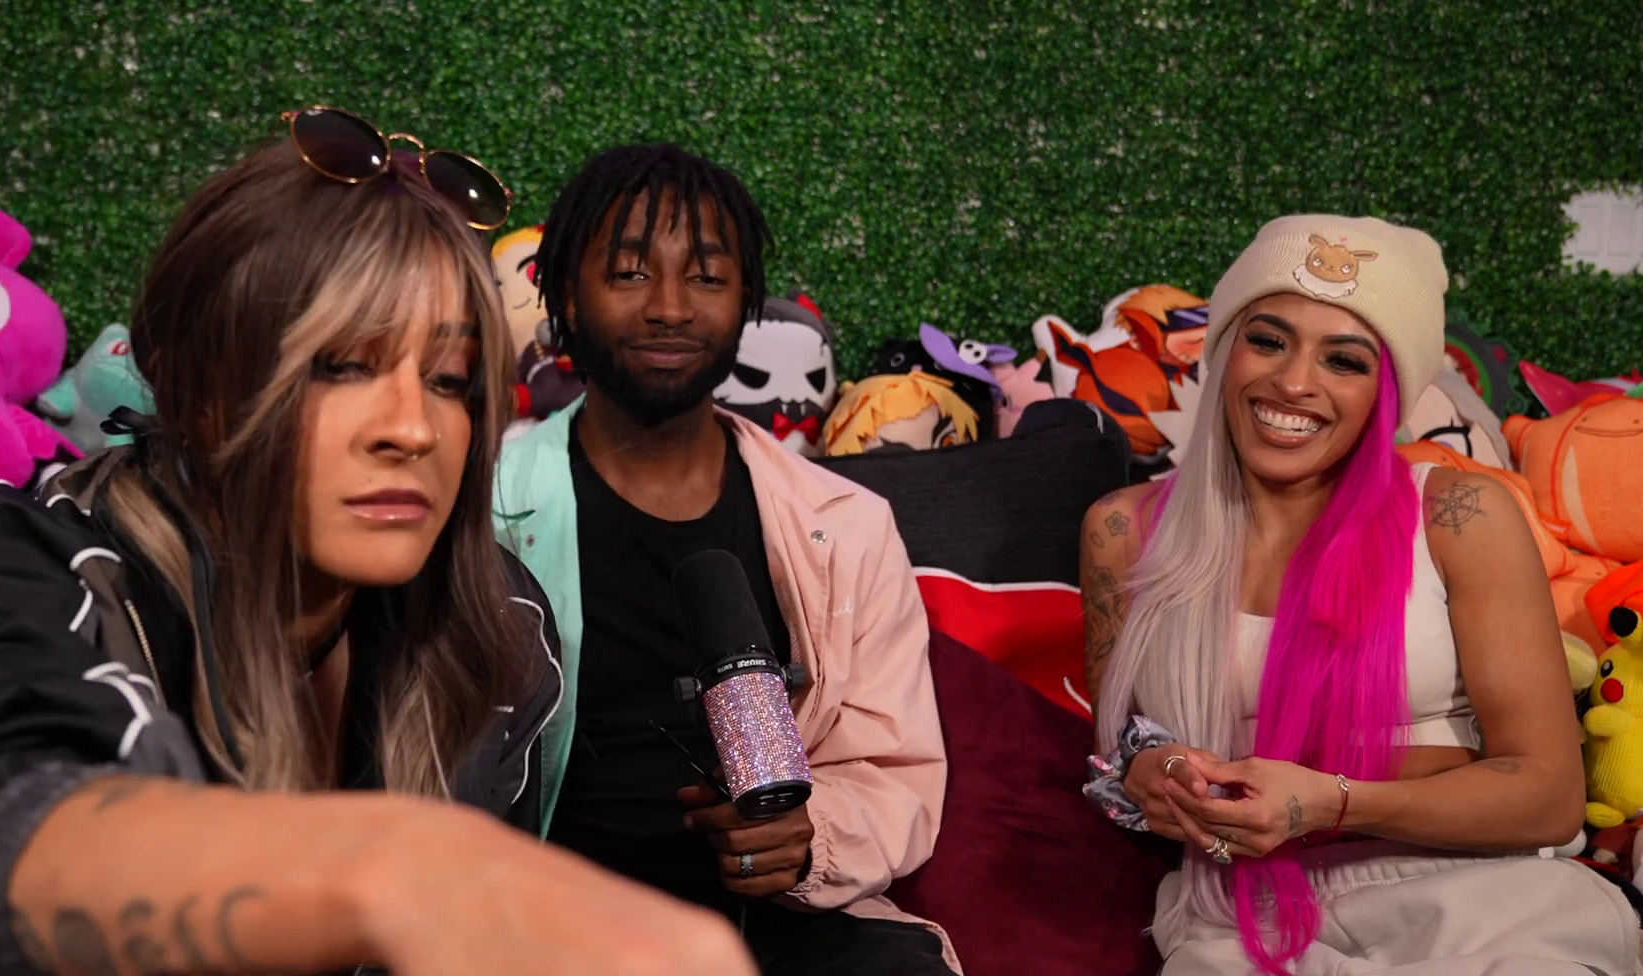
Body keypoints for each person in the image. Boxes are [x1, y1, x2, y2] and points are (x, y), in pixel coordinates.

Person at [0, 109, 756, 976]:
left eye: (449, 378)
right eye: (341, 366)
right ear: (201, 389)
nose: (412, 428)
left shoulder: (500, 627)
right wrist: (403, 869)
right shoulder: (31, 565)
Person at [1082, 215, 1639, 975]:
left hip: (1477, 896)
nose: (1294, 383)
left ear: (1386, 393)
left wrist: (1329, 802)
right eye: (1268, 340)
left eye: (1344, 360)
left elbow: (1546, 797)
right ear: (1224, 348)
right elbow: (1120, 753)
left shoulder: (1460, 515)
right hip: (1239, 913)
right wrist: (1153, 774)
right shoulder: (1121, 529)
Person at [494, 143, 958, 975]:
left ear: (746, 303)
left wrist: (809, 838)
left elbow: (893, 771)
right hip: (546, 921)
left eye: (707, 276)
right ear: (564, 296)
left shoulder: (847, 525)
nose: (670, 307)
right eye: (630, 273)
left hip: (781, 924)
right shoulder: (483, 507)